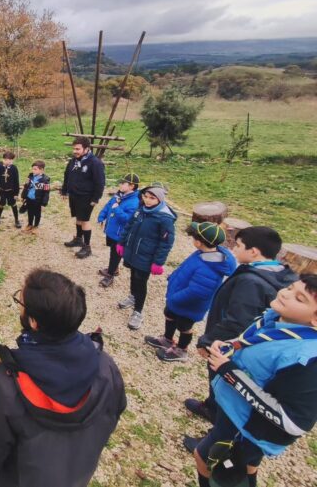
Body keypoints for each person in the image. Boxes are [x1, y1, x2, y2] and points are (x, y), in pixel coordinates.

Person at [0, 269, 126, 487]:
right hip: (78, 474)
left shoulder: (8, 385)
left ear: (34, 322)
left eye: (20, 301)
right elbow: (115, 411)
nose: (19, 305)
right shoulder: (105, 365)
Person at [192, 275, 317, 487]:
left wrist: (229, 372)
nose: (285, 294)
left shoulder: (307, 360)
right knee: (245, 464)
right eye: (290, 287)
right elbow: (257, 344)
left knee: (205, 460)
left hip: (246, 425)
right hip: (234, 410)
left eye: (299, 298)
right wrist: (231, 346)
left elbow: (293, 422)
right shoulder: (277, 317)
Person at [183, 226, 298, 428]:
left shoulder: (251, 282)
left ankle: (217, 428)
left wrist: (208, 342)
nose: (233, 249)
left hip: (230, 345)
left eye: (238, 245)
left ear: (254, 251)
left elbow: (237, 321)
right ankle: (212, 406)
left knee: (225, 378)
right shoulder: (278, 273)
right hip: (249, 343)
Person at [144, 222, 237, 362]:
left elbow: (198, 292)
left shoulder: (210, 268)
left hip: (189, 305)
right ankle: (167, 339)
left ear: (199, 242)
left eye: (194, 237)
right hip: (177, 299)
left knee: (184, 326)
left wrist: (175, 298)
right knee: (169, 314)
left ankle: (181, 350)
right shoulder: (203, 253)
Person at [116, 183, 176, 331]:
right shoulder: (140, 210)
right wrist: (122, 242)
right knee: (132, 275)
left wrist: (158, 262)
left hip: (146, 257)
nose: (148, 200)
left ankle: (138, 311)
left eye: (152, 198)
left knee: (141, 281)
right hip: (132, 252)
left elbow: (166, 243)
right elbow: (129, 226)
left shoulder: (164, 218)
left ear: (160, 199)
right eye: (145, 196)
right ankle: (132, 295)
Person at [60, 136, 106, 259]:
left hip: (86, 197)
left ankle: (87, 247)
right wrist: (64, 191)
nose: (75, 151)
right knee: (78, 218)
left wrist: (96, 198)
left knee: (85, 220)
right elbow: (67, 175)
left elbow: (100, 182)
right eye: (74, 149)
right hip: (74, 195)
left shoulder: (95, 163)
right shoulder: (73, 160)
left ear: (86, 149)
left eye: (77, 149)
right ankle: (78, 239)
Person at [97, 173, 140, 288]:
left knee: (116, 254)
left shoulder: (134, 202)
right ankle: (114, 268)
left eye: (123, 183)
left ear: (131, 186)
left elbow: (128, 219)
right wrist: (102, 216)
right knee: (112, 251)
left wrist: (117, 209)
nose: (120, 184)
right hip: (111, 231)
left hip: (120, 234)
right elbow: (108, 205)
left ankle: (110, 275)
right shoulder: (119, 195)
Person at [0, 151, 21, 228]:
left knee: (13, 204)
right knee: (1, 204)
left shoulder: (14, 168)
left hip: (11, 191)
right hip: (1, 190)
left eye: (10, 160)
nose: (8, 161)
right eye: (6, 159)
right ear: (3, 159)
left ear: (12, 160)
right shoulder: (0, 167)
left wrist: (16, 193)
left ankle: (16, 220)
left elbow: (16, 181)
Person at [19, 160, 50, 234]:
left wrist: (43, 203)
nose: (33, 171)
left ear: (41, 169)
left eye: (35, 169)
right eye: (32, 169)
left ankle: (36, 226)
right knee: (30, 212)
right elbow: (26, 187)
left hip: (38, 201)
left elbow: (46, 193)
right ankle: (30, 224)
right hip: (29, 198)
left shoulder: (45, 180)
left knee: (37, 214)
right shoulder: (30, 177)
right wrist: (23, 196)